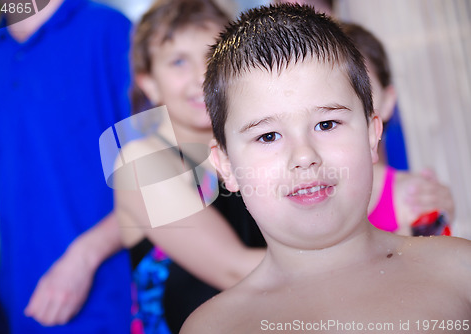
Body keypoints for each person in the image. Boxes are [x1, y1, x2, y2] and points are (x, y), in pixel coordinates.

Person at [181, 4, 471, 333]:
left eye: (327, 124)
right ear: (227, 166)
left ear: (372, 134)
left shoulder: (460, 272)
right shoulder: (214, 327)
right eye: (268, 136)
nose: (304, 155)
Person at [0, 0, 133, 332]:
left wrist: (84, 257)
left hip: (104, 309)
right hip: (15, 309)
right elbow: (22, 189)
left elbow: (168, 181)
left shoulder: (111, 32)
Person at [113, 0, 265, 333]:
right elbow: (233, 269)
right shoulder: (141, 160)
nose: (201, 75)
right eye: (178, 61)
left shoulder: (252, 144)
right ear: (149, 83)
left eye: (214, 54)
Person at [341, 23, 455, 235]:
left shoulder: (412, 199)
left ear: (387, 102)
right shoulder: (303, 196)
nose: (347, 106)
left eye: (363, 90)